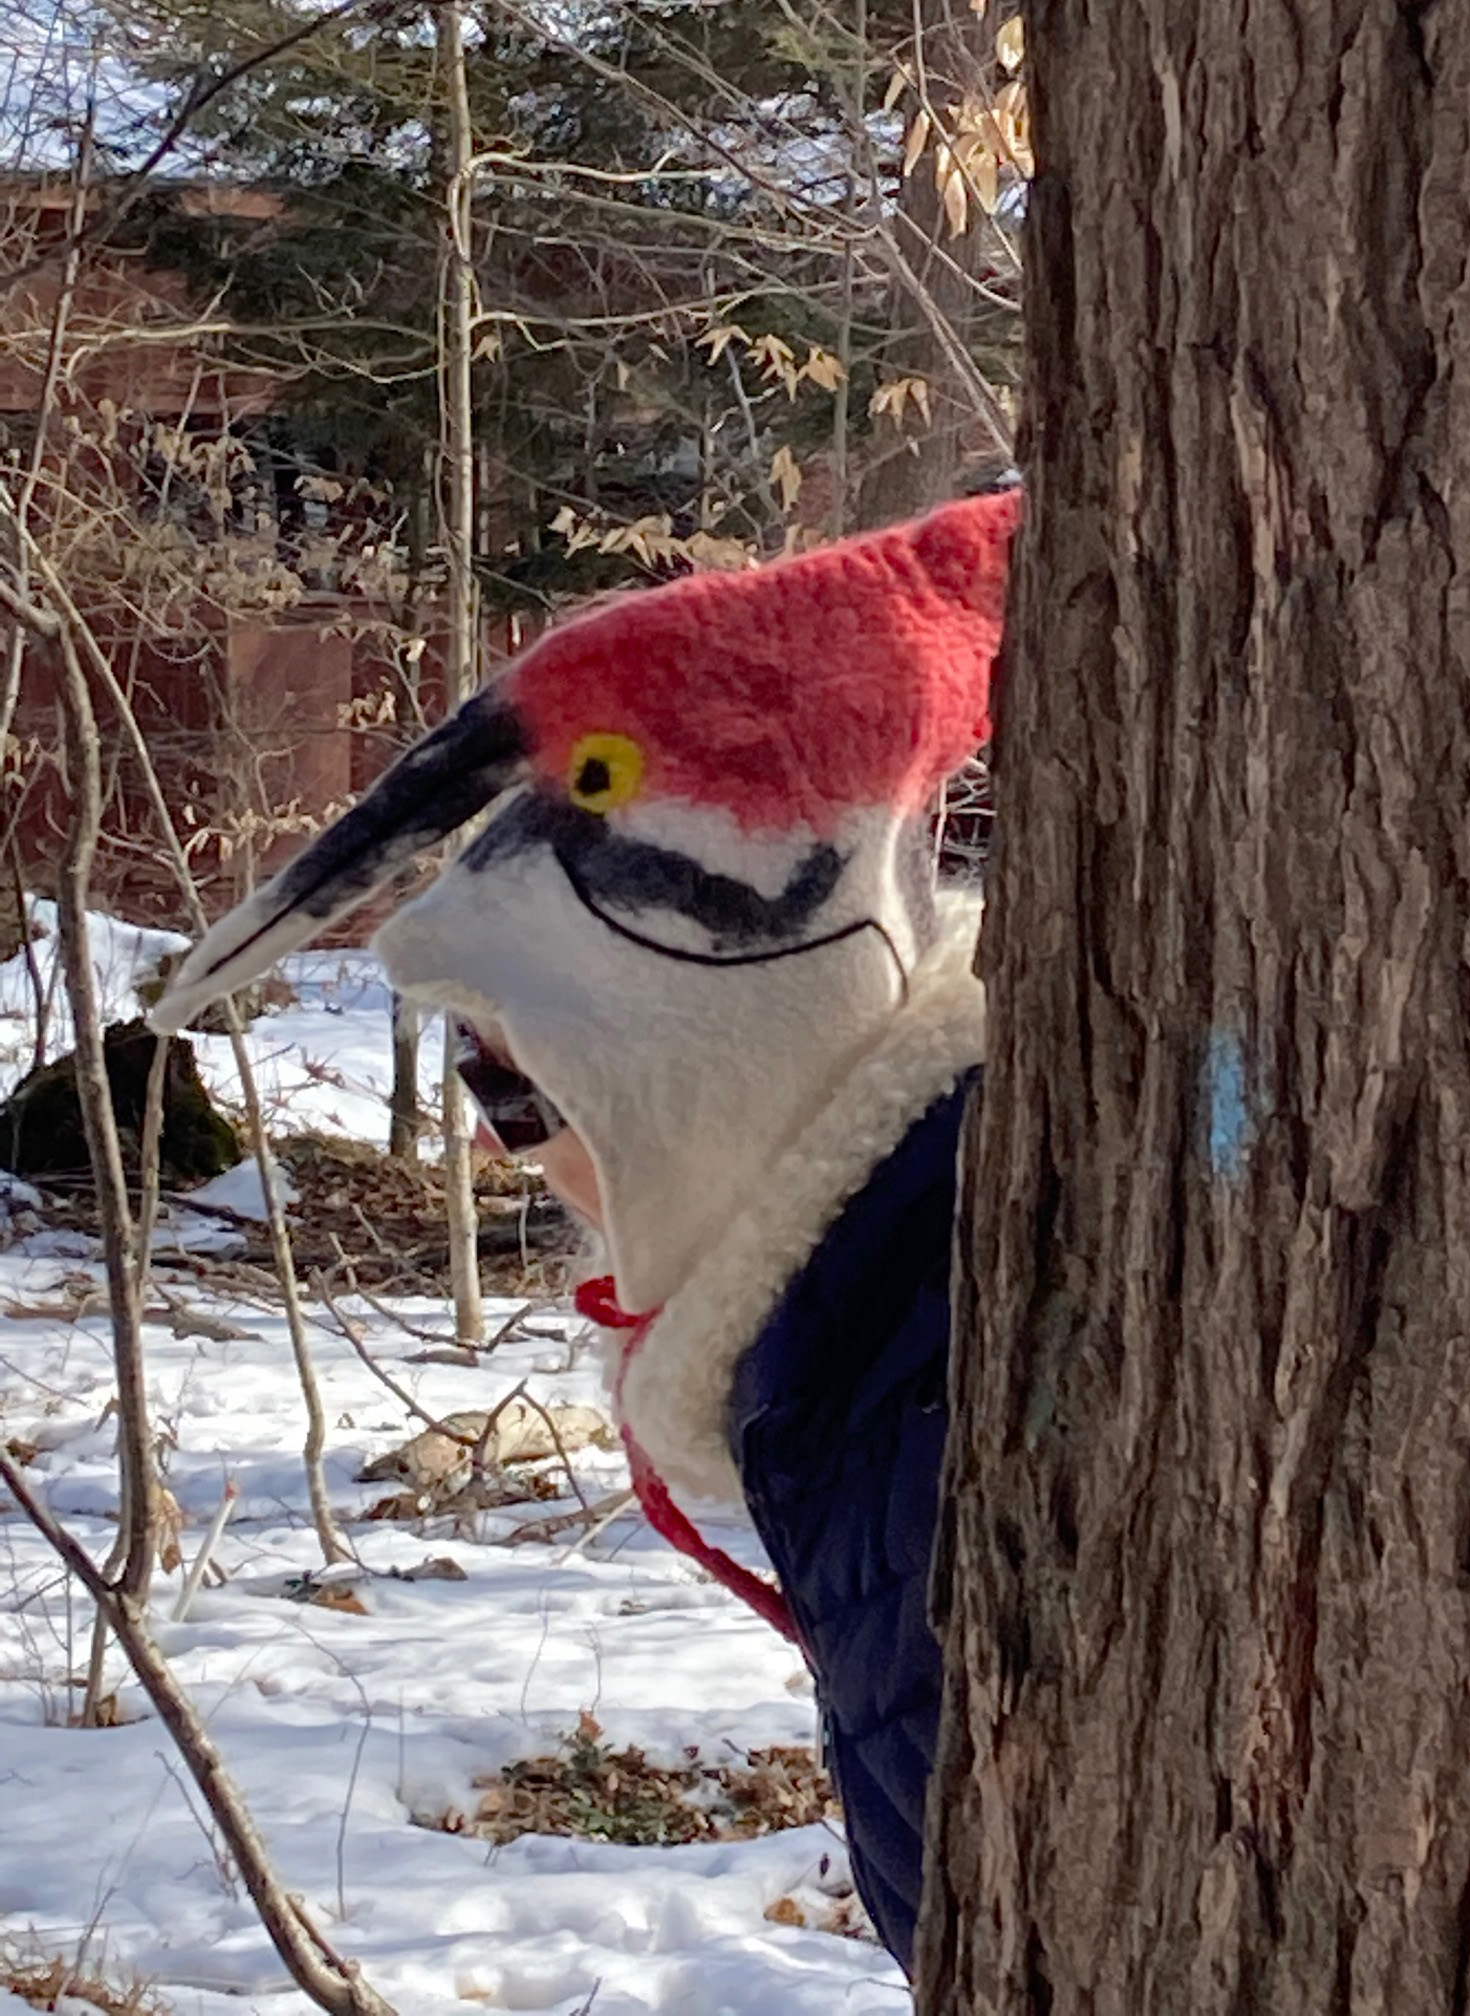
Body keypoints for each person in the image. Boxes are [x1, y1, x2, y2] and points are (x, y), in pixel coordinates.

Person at [151, 488, 1021, 1975]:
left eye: (522, 1089)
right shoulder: (865, 1324)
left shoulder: (905, 1380)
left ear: (698, 1068)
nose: (525, 1162)